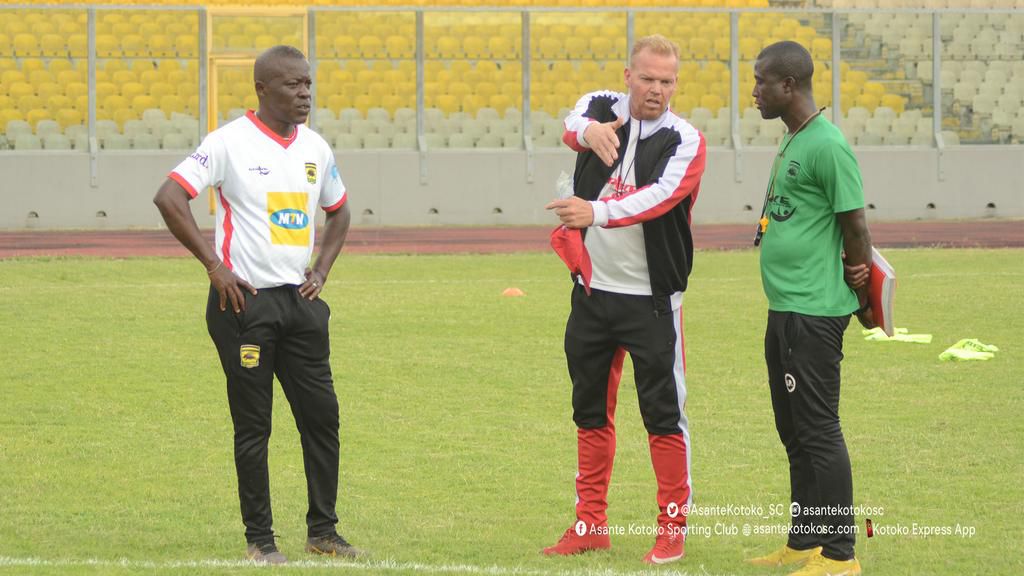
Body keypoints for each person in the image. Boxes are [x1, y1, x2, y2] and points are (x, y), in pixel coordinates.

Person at [153, 45, 361, 565]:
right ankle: (260, 540)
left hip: (300, 304)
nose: (305, 93)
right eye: (293, 84)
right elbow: (169, 197)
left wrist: (321, 269)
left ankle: (323, 532)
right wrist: (214, 267)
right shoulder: (227, 142)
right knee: (255, 425)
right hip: (244, 305)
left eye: (308, 83)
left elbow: (339, 211)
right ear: (262, 89)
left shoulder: (316, 148)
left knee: (322, 417)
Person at [543, 34, 707, 566]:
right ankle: (590, 523)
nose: (657, 89)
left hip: (652, 302)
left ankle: (672, 528)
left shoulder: (685, 139)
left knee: (664, 416)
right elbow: (571, 122)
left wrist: (596, 212)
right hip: (593, 295)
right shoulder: (601, 106)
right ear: (628, 76)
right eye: (648, 78)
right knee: (589, 412)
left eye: (667, 81)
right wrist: (587, 131)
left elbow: (660, 198)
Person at [746, 41, 875, 576]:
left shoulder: (828, 144)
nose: (754, 92)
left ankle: (841, 554)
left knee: (819, 430)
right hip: (785, 306)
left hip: (814, 311)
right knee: (793, 430)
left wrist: (863, 295)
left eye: (761, 81)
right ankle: (804, 541)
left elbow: (856, 227)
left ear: (789, 85)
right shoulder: (793, 136)